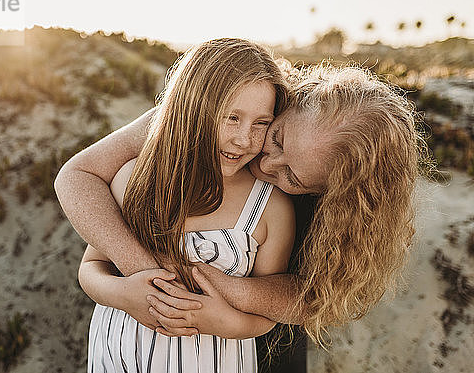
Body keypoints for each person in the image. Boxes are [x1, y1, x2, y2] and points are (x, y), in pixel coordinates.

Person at [55, 43, 423, 361]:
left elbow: (320, 298)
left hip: (259, 342)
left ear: (329, 191)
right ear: (290, 104)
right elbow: (77, 177)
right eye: (276, 138)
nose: (264, 162)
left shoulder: (343, 208)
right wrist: (148, 276)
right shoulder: (213, 116)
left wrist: (228, 295)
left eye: (292, 178)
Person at [77, 38, 296, 372]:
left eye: (261, 123)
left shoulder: (269, 207)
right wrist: (124, 294)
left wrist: (223, 322)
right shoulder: (135, 178)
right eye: (231, 117)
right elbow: (90, 268)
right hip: (118, 360)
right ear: (193, 110)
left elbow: (268, 313)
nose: (244, 139)